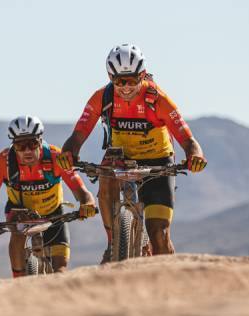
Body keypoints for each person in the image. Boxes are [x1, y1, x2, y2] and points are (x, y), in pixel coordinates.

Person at [57, 44, 206, 262]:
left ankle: (167, 276)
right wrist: (69, 153)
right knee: (106, 174)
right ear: (110, 77)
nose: (126, 87)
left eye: (133, 80)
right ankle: (113, 243)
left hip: (159, 162)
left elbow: (188, 139)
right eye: (119, 81)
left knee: (159, 234)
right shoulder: (103, 97)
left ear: (143, 75)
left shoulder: (158, 99)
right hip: (122, 159)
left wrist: (195, 156)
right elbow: (79, 134)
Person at [0, 115, 97, 277]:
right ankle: (18, 279)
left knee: (60, 271)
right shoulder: (3, 161)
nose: (27, 150)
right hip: (20, 213)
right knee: (17, 233)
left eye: (33, 143)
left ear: (40, 141)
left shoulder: (55, 156)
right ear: (13, 145)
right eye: (20, 145)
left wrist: (88, 204)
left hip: (53, 212)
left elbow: (81, 191)